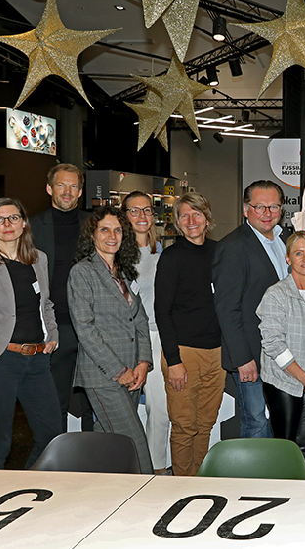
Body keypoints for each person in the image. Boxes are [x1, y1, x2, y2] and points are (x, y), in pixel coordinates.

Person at [0, 198, 61, 469]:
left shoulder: (39, 259)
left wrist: (52, 332)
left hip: (37, 361)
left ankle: (26, 490)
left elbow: (46, 303)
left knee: (51, 435)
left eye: (13, 218)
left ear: (24, 223)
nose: (7, 224)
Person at [68, 206, 154, 474]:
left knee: (107, 441)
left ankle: (102, 494)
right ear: (92, 234)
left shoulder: (125, 272)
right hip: (104, 376)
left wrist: (143, 362)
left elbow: (139, 320)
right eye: (105, 229)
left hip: (133, 373)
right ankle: (153, 492)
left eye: (118, 230)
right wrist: (119, 371)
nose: (112, 236)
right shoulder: (82, 273)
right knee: (134, 442)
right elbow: (85, 329)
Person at [154, 192, 225, 476]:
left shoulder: (221, 252)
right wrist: (174, 361)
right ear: (178, 223)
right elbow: (162, 311)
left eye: (197, 214)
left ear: (207, 219)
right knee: (184, 426)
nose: (191, 220)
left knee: (205, 424)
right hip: (183, 354)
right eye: (185, 215)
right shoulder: (171, 258)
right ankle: (182, 487)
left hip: (217, 354)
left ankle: (200, 483)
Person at [213, 180, 287, 440]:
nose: (267, 213)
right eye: (259, 207)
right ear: (246, 210)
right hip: (251, 355)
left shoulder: (285, 240)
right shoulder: (232, 247)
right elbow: (226, 309)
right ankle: (254, 480)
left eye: (273, 206)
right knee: (256, 422)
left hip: (283, 354)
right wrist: (242, 359)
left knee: (280, 424)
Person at [257, 231, 305, 462]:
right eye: (298, 253)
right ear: (287, 258)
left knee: (303, 450)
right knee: (285, 450)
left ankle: (298, 497)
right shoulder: (277, 294)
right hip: (286, 383)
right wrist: (303, 377)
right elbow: (272, 343)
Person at [29, 163, 90, 431]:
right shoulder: (31, 227)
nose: (67, 191)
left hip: (91, 326)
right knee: (55, 403)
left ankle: (96, 463)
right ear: (49, 188)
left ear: (80, 192)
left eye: (73, 186)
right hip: (55, 329)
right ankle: (57, 464)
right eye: (61, 185)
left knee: (96, 401)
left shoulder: (94, 224)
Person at [121, 192, 170, 473]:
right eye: (134, 211)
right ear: (124, 215)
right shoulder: (114, 255)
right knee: (125, 413)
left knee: (160, 411)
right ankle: (128, 469)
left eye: (147, 210)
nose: (142, 216)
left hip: (157, 337)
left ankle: (157, 469)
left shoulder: (160, 252)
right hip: (126, 340)